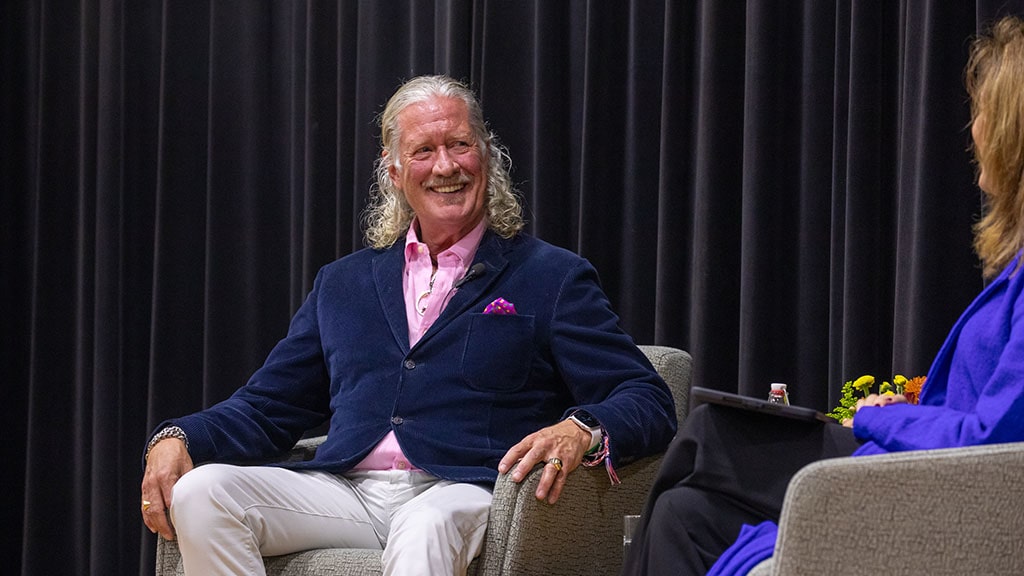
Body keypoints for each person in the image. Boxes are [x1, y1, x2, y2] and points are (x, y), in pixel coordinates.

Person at [140, 74, 678, 575]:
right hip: (349, 491)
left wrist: (581, 428)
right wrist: (177, 435)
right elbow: (267, 407)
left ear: (487, 156)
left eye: (460, 145)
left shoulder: (552, 276)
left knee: (425, 523)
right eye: (424, 151)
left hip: (466, 486)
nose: (446, 166)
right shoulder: (343, 283)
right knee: (202, 492)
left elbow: (647, 398)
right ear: (394, 171)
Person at [621, 15, 1024, 576]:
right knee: (681, 514)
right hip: (912, 469)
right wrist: (905, 408)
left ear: (1011, 131)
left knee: (709, 433)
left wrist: (878, 421)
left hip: (930, 488)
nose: (972, 127)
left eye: (982, 111)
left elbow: (995, 441)